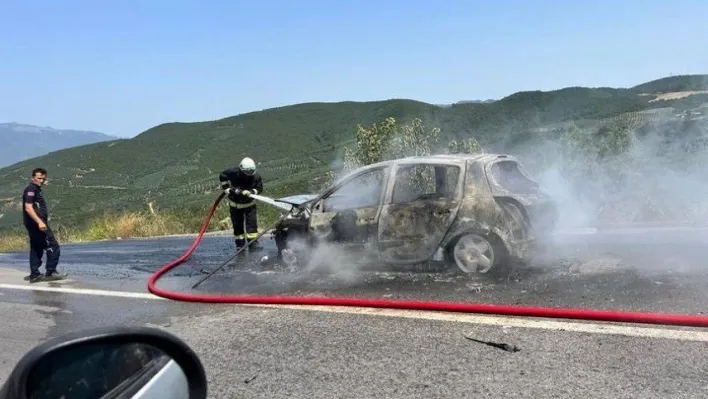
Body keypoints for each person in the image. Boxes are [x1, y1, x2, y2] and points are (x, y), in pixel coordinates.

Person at [22, 168, 67, 283]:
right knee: (53, 246)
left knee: (36, 248)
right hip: (37, 225)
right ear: (33, 178)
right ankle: (50, 272)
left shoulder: (36, 189)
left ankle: (34, 274)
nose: (41, 181)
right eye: (39, 178)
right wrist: (40, 222)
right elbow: (28, 208)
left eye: (43, 178)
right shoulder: (31, 189)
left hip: (34, 224)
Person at [218, 157, 264, 251]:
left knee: (251, 226)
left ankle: (253, 244)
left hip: (249, 206)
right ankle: (240, 245)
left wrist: (251, 192)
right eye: (247, 173)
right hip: (235, 205)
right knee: (237, 226)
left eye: (251, 172)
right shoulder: (233, 172)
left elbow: (260, 188)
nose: (248, 175)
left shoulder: (256, 177)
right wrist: (226, 188)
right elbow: (222, 175)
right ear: (241, 169)